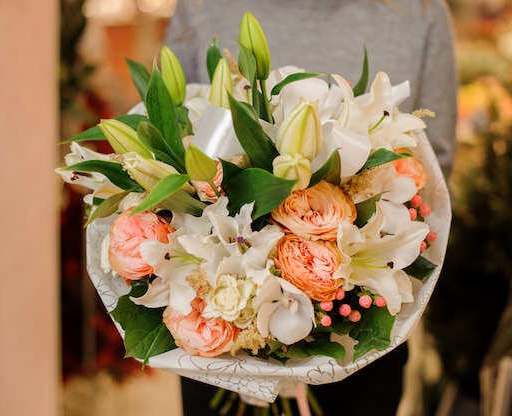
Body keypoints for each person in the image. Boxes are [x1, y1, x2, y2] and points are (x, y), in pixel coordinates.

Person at [163, 0, 458, 414]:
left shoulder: (419, 12)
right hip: (221, 353)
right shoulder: (203, 7)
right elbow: (180, 149)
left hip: (359, 351)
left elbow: (434, 172)